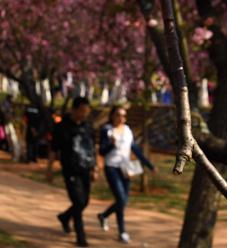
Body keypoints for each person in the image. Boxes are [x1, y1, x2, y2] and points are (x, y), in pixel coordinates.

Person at [96, 105, 155, 245]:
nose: (121, 118)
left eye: (124, 115)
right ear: (112, 116)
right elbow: (102, 152)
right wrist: (111, 144)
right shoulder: (107, 130)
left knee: (123, 201)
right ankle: (122, 232)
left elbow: (134, 148)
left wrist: (148, 164)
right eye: (118, 115)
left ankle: (104, 216)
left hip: (125, 168)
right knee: (121, 199)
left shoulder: (128, 130)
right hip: (112, 167)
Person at [47, 97, 96, 247]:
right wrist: (49, 169)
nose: (84, 114)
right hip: (70, 170)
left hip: (85, 168)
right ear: (74, 110)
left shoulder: (88, 126)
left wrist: (95, 168)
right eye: (82, 111)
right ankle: (81, 237)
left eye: (86, 111)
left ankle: (65, 217)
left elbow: (92, 148)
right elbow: (54, 149)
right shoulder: (62, 127)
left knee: (84, 201)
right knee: (78, 201)